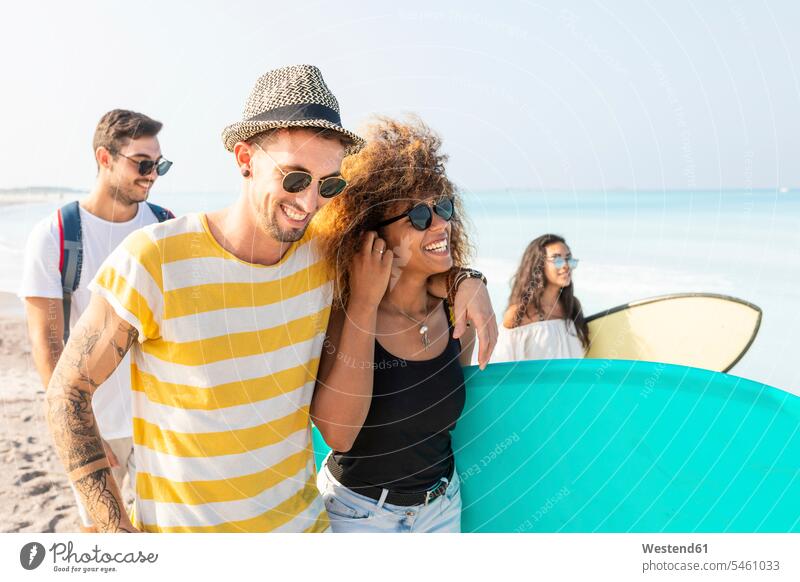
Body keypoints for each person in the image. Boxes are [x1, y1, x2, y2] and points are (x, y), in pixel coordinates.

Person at [44, 65, 496, 533]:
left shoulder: (324, 260)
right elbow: (68, 393)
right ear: (244, 158)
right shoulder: (154, 259)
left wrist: (467, 280)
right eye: (295, 177)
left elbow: (407, 264)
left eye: (329, 184)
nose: (310, 202)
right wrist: (116, 534)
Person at [311, 117, 478, 532]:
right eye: (419, 216)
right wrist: (366, 304)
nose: (441, 224)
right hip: (360, 514)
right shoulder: (345, 313)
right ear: (372, 239)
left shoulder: (455, 309)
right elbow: (339, 435)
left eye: (444, 208)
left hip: (442, 505)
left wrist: (468, 279)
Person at [19, 109, 173, 531]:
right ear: (105, 159)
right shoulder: (55, 235)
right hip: (93, 422)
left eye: (160, 164)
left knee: (163, 535)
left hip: (157, 423)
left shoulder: (164, 228)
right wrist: (80, 432)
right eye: (143, 163)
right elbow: (47, 345)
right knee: (100, 539)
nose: (153, 174)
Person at [493, 234, 589, 362]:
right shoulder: (519, 314)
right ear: (538, 265)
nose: (566, 266)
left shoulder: (572, 307)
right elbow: (502, 364)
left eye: (569, 259)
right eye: (557, 260)